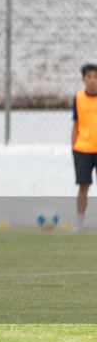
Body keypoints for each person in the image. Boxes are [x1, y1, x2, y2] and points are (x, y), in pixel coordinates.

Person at [71, 63, 97, 234]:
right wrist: (73, 148)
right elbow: (75, 125)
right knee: (83, 188)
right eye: (89, 77)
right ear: (83, 79)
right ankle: (79, 224)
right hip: (83, 149)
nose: (93, 80)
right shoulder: (78, 98)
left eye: (96, 77)